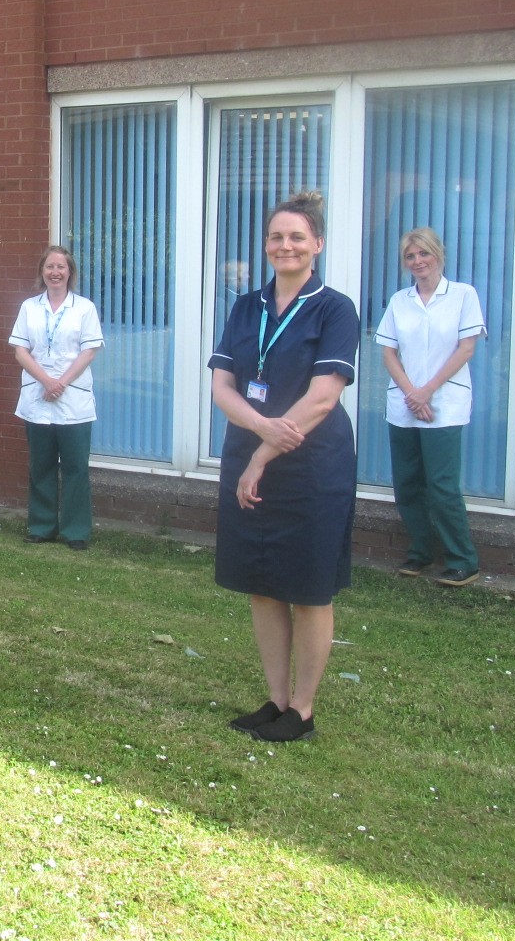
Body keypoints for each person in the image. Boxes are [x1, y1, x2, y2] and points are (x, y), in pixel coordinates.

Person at [209, 190, 358, 743]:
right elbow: (222, 385)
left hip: (311, 464)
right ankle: (274, 700)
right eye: (276, 237)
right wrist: (259, 431)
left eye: (297, 237)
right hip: (250, 448)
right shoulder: (245, 306)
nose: (285, 245)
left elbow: (323, 397)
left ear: (317, 244)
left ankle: (303, 708)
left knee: (308, 589)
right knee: (262, 583)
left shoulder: (335, 308)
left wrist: (266, 449)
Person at [376, 227, 486, 587]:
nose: (418, 261)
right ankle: (420, 552)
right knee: (407, 484)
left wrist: (428, 392)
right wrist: (412, 393)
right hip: (405, 404)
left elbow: (466, 348)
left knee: (441, 485)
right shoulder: (399, 300)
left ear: (439, 255)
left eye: (424, 253)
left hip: (445, 404)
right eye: (411, 256)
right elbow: (388, 352)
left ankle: (462, 560)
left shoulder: (463, 295)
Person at [8, 245, 103, 548]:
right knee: (41, 465)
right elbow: (21, 351)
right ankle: (42, 526)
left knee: (76, 468)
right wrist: (47, 381)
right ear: (42, 272)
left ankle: (76, 532)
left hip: (73, 398)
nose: (55, 272)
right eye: (49, 267)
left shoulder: (84, 308)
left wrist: (60, 383)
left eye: (61, 267)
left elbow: (89, 351)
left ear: (70, 272)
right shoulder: (29, 307)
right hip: (38, 396)